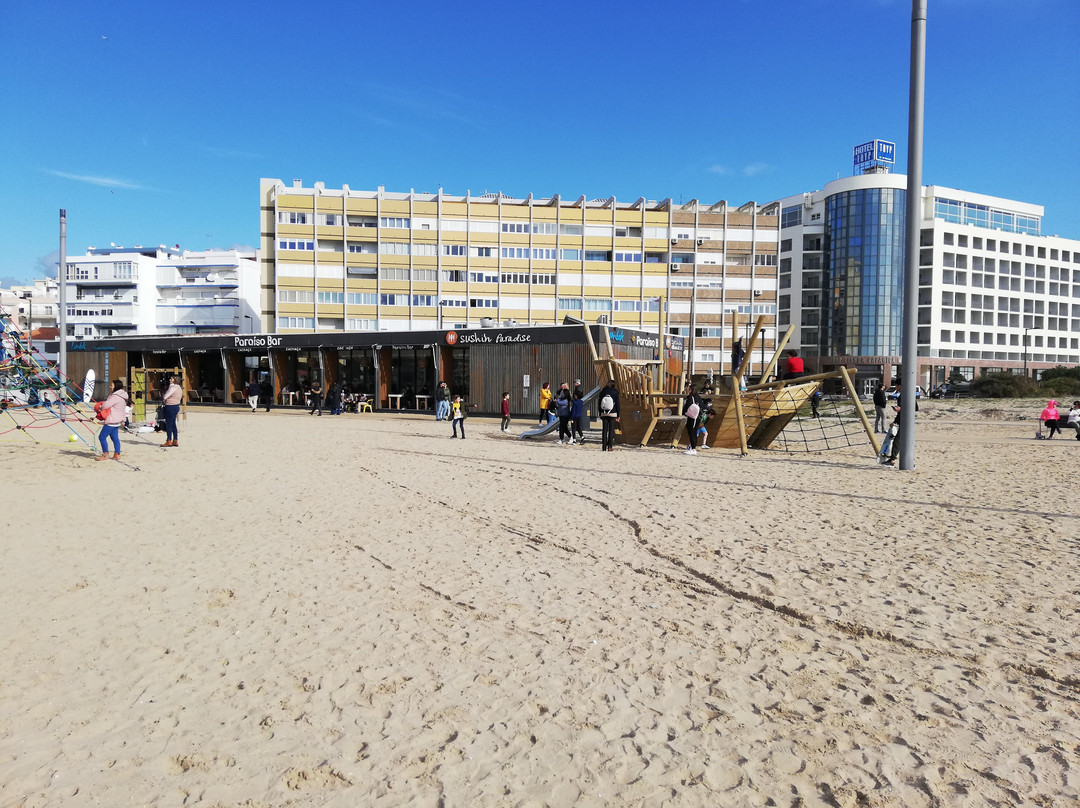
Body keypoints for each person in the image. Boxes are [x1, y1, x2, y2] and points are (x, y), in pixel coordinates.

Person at [95, 379, 129, 461]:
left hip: (111, 421)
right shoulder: (122, 396)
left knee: (102, 437)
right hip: (117, 421)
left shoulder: (115, 397)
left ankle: (105, 454)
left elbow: (106, 405)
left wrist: (100, 407)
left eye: (111, 385)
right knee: (115, 438)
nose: (110, 387)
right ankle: (117, 454)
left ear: (116, 387)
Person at [161, 374, 182, 448]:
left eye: (172, 379)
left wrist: (164, 398)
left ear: (175, 380)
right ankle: (175, 440)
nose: (170, 380)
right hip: (176, 406)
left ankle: (169, 440)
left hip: (170, 406)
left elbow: (165, 396)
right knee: (173, 423)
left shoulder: (173, 387)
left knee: (169, 424)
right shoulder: (179, 387)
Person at [598, 380, 620, 452]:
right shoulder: (615, 392)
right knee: (611, 430)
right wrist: (618, 415)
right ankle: (610, 446)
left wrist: (600, 412)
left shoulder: (603, 391)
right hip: (612, 413)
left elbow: (599, 403)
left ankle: (603, 447)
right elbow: (617, 404)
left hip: (604, 412)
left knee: (604, 430)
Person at [682, 382, 702, 455]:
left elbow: (687, 407)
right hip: (698, 416)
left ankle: (693, 449)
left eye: (690, 389)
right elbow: (702, 406)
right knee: (694, 432)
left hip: (692, 417)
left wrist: (684, 412)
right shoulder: (699, 397)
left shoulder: (690, 397)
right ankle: (693, 447)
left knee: (691, 433)